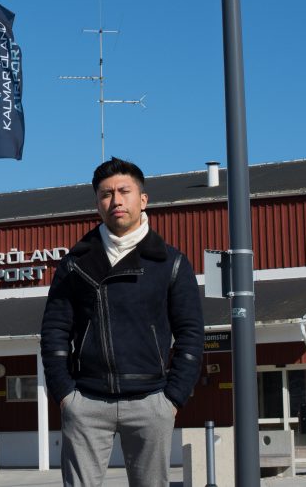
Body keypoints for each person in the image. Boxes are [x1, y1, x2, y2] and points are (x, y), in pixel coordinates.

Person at [41, 157, 204, 486]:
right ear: (97, 204)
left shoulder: (170, 263)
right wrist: (65, 394)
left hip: (150, 402)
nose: (115, 200)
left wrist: (172, 398)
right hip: (86, 402)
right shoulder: (75, 263)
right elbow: (55, 331)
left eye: (124, 191)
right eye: (106, 194)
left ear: (143, 199)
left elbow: (190, 334)